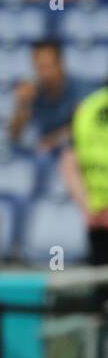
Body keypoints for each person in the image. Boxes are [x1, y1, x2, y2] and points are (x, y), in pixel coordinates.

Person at [62, 81, 108, 307]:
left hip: (97, 216)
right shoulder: (87, 110)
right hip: (99, 221)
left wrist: (88, 206)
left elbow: (69, 162)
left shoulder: (86, 108)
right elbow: (70, 161)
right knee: (100, 297)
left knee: (100, 298)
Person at [10, 40, 94, 150]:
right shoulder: (33, 92)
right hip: (45, 159)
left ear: (61, 63)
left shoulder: (82, 89)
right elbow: (14, 136)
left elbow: (86, 128)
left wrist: (54, 141)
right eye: (40, 67)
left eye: (48, 66)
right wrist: (23, 105)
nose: (45, 73)